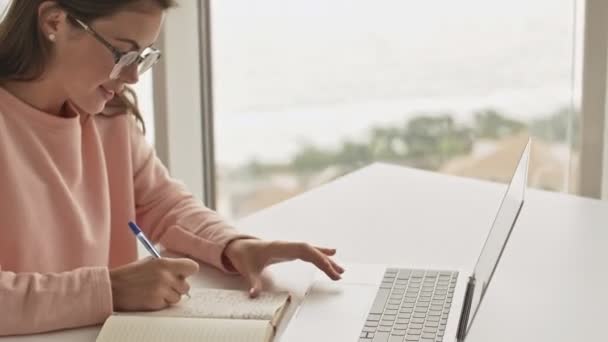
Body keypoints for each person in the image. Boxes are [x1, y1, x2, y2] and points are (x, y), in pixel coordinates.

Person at [0, 0, 344, 336]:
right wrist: (109, 290)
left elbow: (163, 202)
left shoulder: (106, 115)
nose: (134, 76)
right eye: (123, 53)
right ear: (54, 22)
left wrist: (235, 245)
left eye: (144, 57)